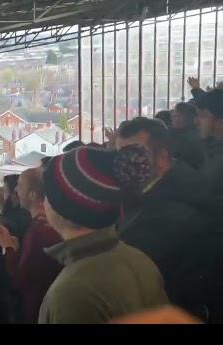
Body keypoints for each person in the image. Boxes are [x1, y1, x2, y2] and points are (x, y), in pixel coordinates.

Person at [38, 146, 169, 324]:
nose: (43, 202)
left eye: (47, 194)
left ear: (62, 208)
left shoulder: (71, 292)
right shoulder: (139, 259)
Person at [115, 117, 217, 314]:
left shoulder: (170, 219)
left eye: (134, 155)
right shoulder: (174, 183)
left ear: (162, 158)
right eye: (119, 156)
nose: (124, 164)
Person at [0, 167, 62, 323]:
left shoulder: (40, 230)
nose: (15, 189)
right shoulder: (43, 224)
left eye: (20, 185)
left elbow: (21, 278)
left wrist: (8, 248)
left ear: (33, 195)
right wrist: (16, 246)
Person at [169, 102, 203, 171]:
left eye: (181, 116)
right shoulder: (167, 133)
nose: (177, 119)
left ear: (190, 118)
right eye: (175, 116)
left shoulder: (198, 135)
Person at [0, 175, 31, 245]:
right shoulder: (8, 211)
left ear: (14, 192)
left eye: (5, 191)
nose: (3, 195)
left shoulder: (23, 214)